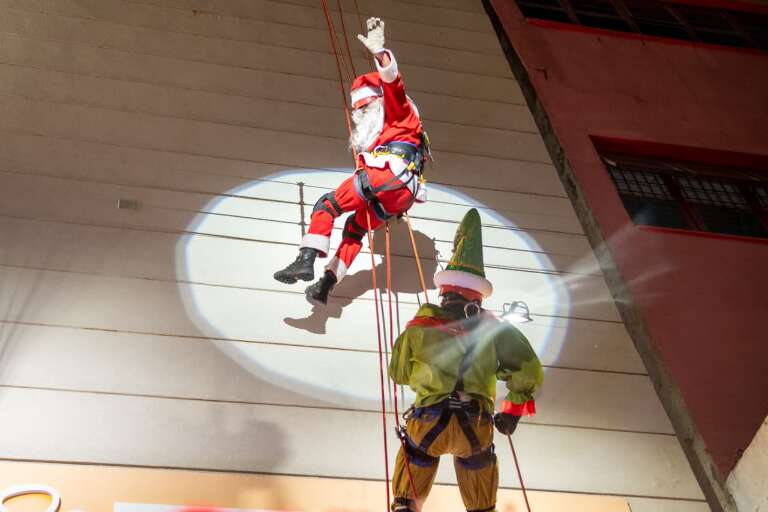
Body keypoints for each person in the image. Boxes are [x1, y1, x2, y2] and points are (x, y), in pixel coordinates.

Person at [388, 208, 543, 512]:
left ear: (444, 294)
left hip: (428, 420)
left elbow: (399, 374)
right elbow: (527, 369)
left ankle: (405, 505)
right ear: (477, 298)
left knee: (416, 455)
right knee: (480, 465)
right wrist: (511, 412)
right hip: (477, 422)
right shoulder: (496, 330)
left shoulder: (419, 328)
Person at [273, 17, 429, 305]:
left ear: (378, 101)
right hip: (400, 195)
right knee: (355, 230)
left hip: (386, 174)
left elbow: (393, 83)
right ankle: (326, 284)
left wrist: (380, 53)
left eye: (365, 107)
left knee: (328, 204)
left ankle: (305, 260)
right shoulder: (400, 133)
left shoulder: (399, 112)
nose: (361, 114)